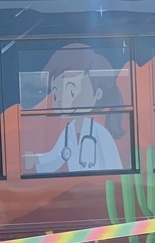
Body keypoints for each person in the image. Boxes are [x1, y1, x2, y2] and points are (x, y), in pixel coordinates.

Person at [23, 44, 125, 173]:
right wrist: (34, 159)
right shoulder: (68, 132)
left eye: (71, 90)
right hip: (77, 185)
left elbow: (115, 168)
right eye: (55, 94)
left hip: (98, 185)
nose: (60, 100)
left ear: (98, 94)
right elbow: (56, 157)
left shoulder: (100, 133)